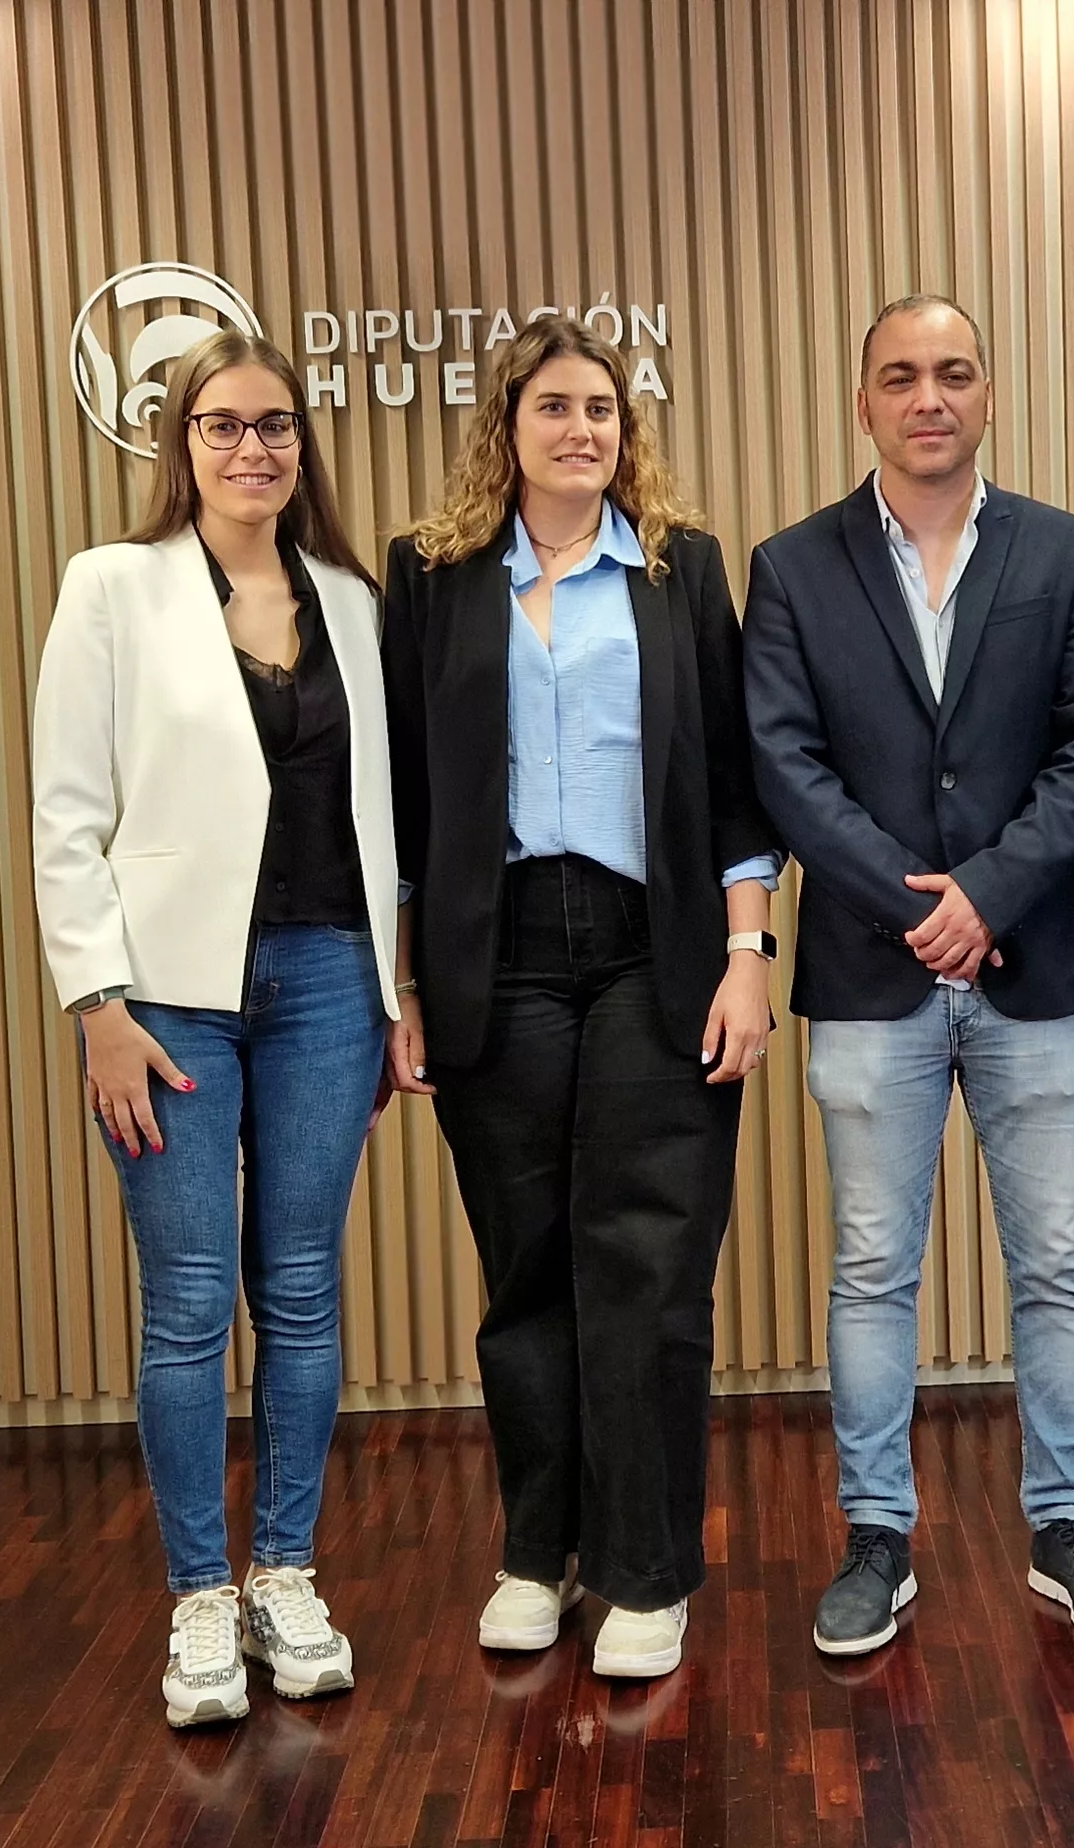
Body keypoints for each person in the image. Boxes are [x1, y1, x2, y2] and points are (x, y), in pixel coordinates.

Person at [739, 295, 1074, 1654]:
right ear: (863, 401)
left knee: (1058, 1267)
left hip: (1036, 967)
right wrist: (917, 905)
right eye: (901, 376)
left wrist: (993, 890)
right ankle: (876, 1538)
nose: (930, 396)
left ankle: (1066, 1530)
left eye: (954, 373)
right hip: (871, 972)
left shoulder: (1066, 553)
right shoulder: (792, 567)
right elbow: (785, 768)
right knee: (871, 1270)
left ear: (988, 396)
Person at [382, 316, 780, 1680]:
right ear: (508, 426)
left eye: (603, 407)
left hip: (650, 950)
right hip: (493, 959)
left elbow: (734, 781)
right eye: (554, 406)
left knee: (650, 1271)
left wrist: (749, 955)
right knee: (527, 1272)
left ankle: (647, 1573)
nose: (583, 429)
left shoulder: (680, 571)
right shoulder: (430, 579)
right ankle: (534, 1556)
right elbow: (409, 802)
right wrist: (409, 984)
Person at [28, 331, 396, 1728]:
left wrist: (389, 993)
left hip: (328, 983)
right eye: (225, 425)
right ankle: (199, 1598)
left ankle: (286, 1573)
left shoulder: (352, 601)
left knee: (301, 1290)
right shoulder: (113, 589)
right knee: (189, 1307)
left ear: (305, 447)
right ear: (179, 444)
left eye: (279, 426)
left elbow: (386, 818)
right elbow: (66, 812)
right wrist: (95, 1003)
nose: (255, 449)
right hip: (170, 999)